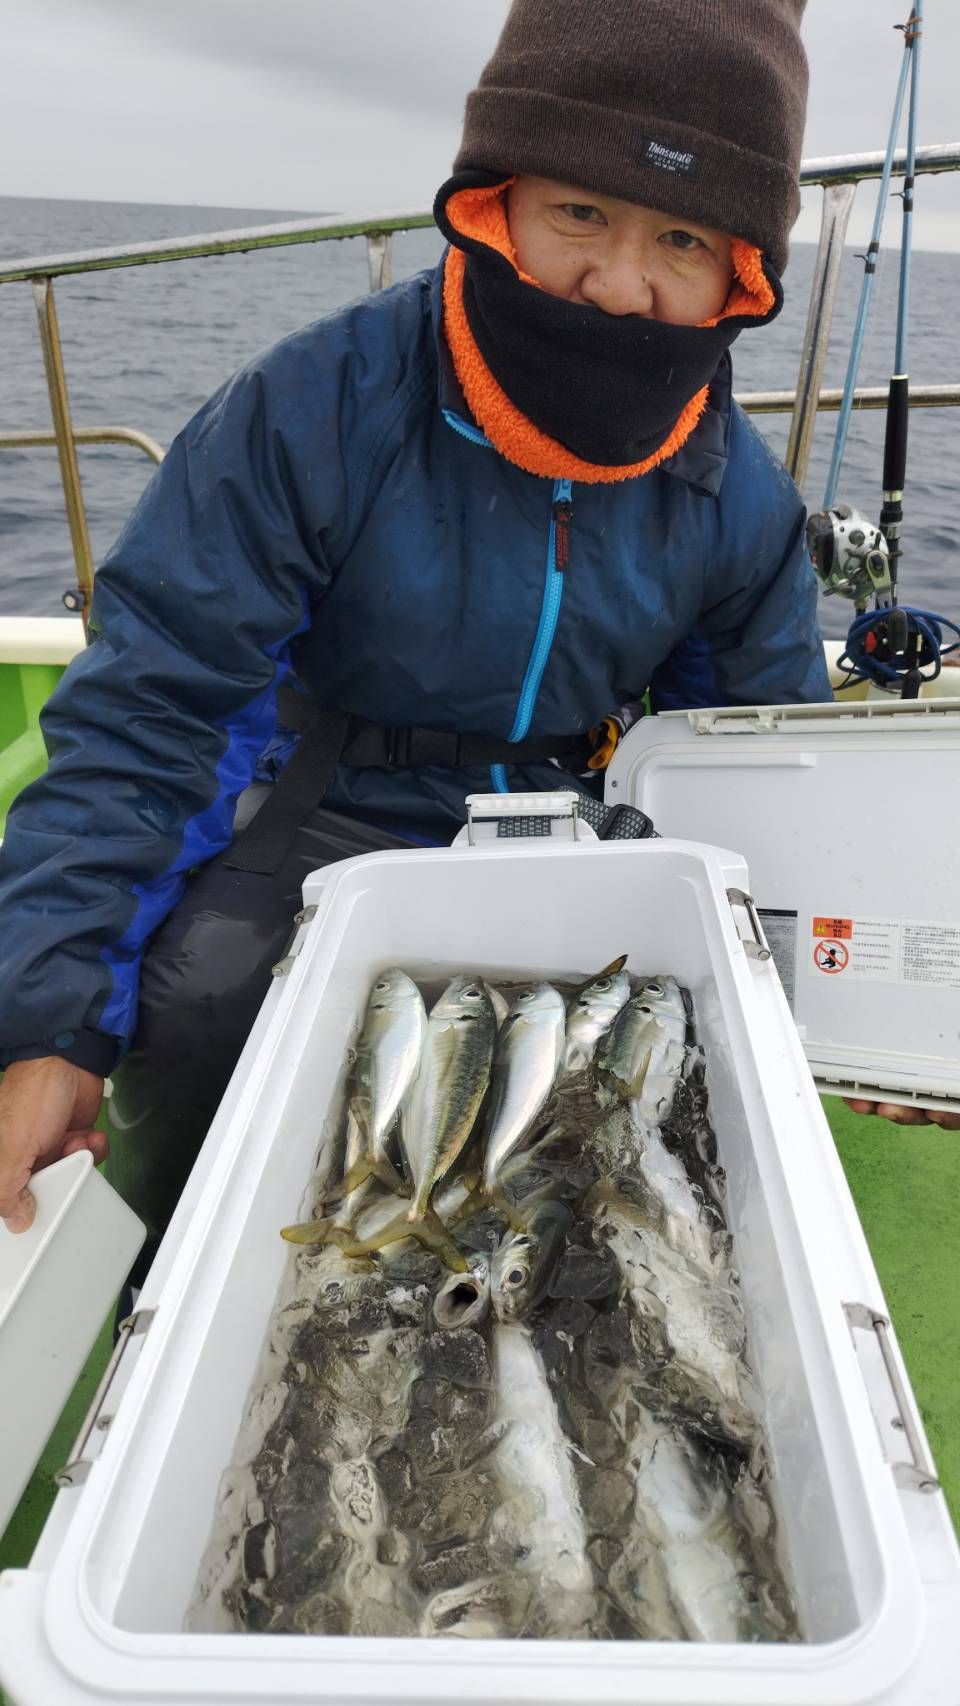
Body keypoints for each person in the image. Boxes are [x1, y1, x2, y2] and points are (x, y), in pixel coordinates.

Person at [0, 1, 950, 1245]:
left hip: (581, 824)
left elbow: (754, 776)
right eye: (580, 213)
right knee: (196, 1009)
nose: (621, 286)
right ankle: (173, 1278)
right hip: (328, 796)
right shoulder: (309, 407)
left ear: (741, 274)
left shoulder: (740, 501)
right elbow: (158, 707)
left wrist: (867, 1009)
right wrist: (53, 1023)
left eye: (682, 238)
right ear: (494, 203)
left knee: (677, 1087)